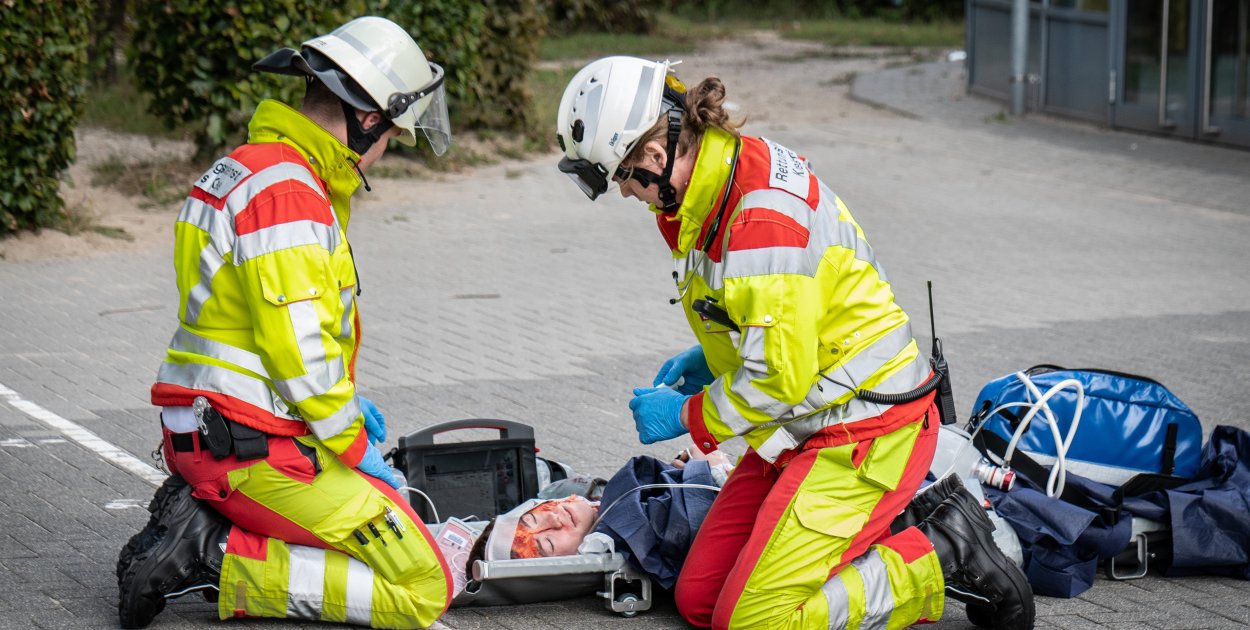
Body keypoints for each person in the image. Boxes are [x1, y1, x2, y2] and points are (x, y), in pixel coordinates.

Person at [554, 56, 1035, 629]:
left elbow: (780, 377)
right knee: (701, 600)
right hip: (801, 426)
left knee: (758, 620)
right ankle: (849, 548)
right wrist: (714, 361)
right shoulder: (717, 180)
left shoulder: (758, 218)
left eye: (624, 179)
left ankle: (936, 553)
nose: (629, 195)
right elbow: (771, 322)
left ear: (655, 156)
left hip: (864, 433)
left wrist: (687, 413)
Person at [115, 16, 453, 630]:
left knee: (379, 529)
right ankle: (212, 554)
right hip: (249, 449)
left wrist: (340, 405)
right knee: (424, 582)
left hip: (219, 431)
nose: (385, 154)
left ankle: (209, 523)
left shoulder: (249, 167)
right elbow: (298, 348)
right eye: (389, 137)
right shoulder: (289, 194)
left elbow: (254, 328)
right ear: (368, 119)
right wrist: (352, 444)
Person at [464, 445, 732, 589]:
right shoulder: (631, 531)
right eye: (548, 545)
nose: (555, 521)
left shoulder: (606, 502)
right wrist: (709, 468)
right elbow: (691, 522)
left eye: (536, 518)